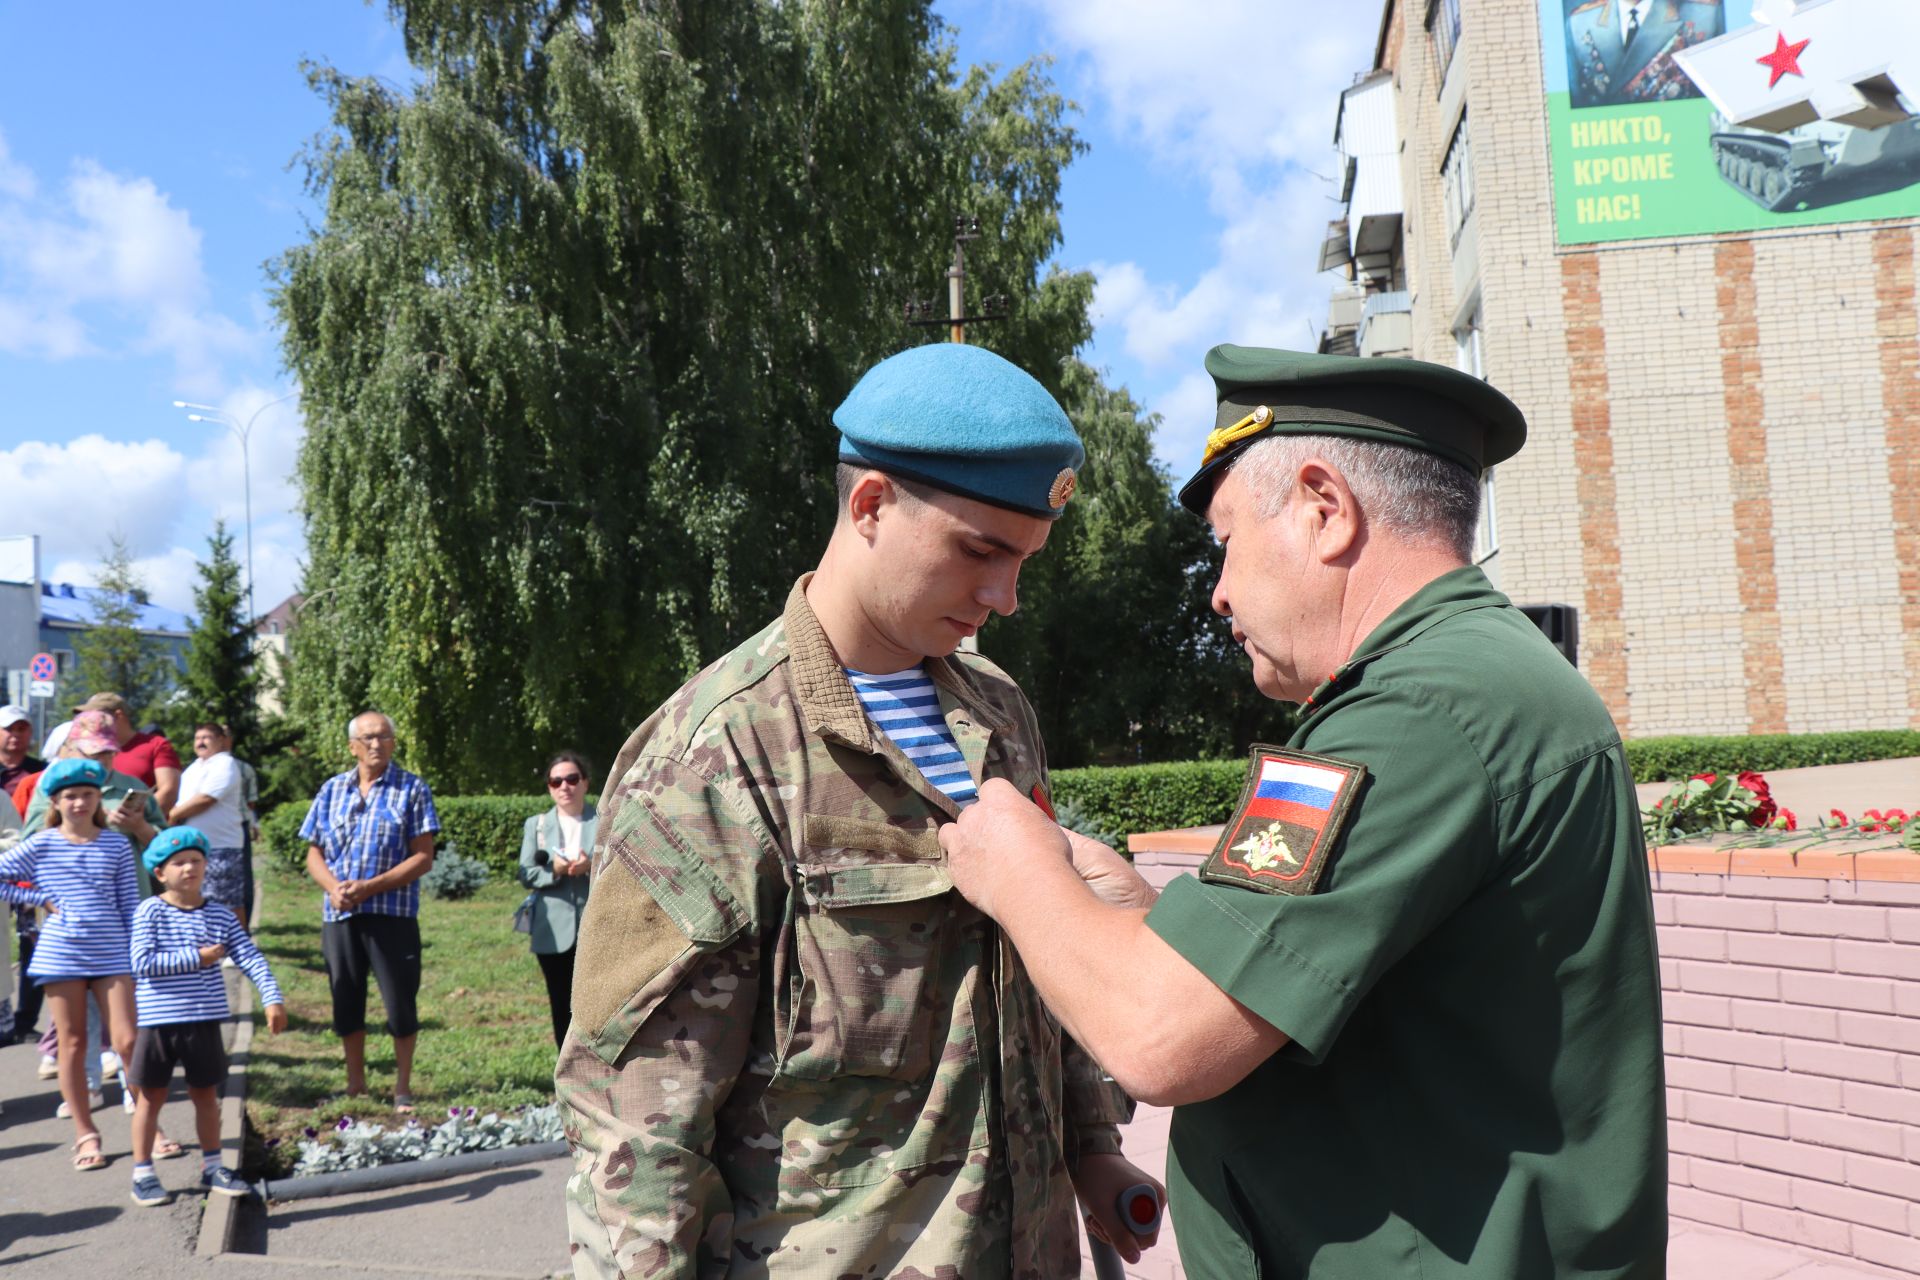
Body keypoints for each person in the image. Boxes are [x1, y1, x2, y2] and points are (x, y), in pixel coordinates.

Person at [938, 346, 1668, 1278]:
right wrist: (1140, 921)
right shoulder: (1467, 682)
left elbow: (1158, 1038)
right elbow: (1321, 988)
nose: (1220, 592)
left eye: (1228, 541)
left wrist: (1017, 865)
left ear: (1326, 510)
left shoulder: (1415, 715)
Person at [557, 342, 1156, 1279]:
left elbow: (1043, 961)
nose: (1003, 598)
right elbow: (637, 1124)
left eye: (1025, 562)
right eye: (980, 552)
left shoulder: (997, 713)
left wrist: (1090, 1141)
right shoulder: (714, 752)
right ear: (871, 505)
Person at [126, 825, 288, 1207]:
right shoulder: (150, 910)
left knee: (206, 1096)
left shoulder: (219, 915)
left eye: (196, 861)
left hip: (203, 1020)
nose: (188, 868)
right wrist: (196, 959)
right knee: (151, 1097)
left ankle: (213, 1165)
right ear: (159, 873)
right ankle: (143, 1172)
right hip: (159, 1023)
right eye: (178, 862)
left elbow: (249, 956)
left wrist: (272, 997)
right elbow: (141, 963)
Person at [0, 759, 141, 1172]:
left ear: (98, 798)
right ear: (56, 802)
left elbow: (130, 905)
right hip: (61, 955)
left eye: (87, 794)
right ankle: (85, 1134)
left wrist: (139, 956)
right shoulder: (43, 843)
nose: (79, 802)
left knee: (128, 1041)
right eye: (70, 796)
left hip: (113, 952)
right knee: (74, 1045)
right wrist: (35, 896)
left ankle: (151, 1131)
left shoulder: (114, 844)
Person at [299, 711, 439, 1110]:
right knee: (346, 998)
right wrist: (333, 888)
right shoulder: (332, 790)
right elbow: (313, 852)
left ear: (394, 743)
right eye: (367, 738)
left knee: (399, 1001)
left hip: (391, 914)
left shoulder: (411, 789)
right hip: (340, 914)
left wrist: (370, 887)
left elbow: (423, 857)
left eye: (383, 737)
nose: (376, 744)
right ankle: (355, 1082)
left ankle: (402, 1088)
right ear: (352, 746)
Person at [517, 751, 596, 1049]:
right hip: (552, 930)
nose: (565, 786)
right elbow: (526, 873)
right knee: (560, 1003)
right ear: (550, 788)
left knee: (597, 1005)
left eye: (572, 779)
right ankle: (566, 1078)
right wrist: (555, 871)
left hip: (598, 928)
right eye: (556, 781)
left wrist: (592, 867)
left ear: (585, 783)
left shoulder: (605, 821)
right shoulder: (536, 826)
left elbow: (622, 867)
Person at [170, 723, 252, 927]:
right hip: (195, 847)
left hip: (221, 846)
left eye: (207, 737)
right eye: (197, 738)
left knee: (228, 902)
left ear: (221, 740)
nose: (201, 742)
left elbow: (206, 799)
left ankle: (237, 951)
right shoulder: (193, 768)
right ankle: (212, 949)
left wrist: (172, 815)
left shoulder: (225, 764)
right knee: (200, 901)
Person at [76, 692, 184, 813]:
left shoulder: (156, 745)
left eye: (97, 717)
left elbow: (168, 791)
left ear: (118, 715)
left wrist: (136, 821)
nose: (90, 721)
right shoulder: (83, 750)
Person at [0, 705, 43, 795]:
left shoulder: (42, 772)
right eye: (9, 729)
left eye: (21, 729)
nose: (16, 734)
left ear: (30, 733)